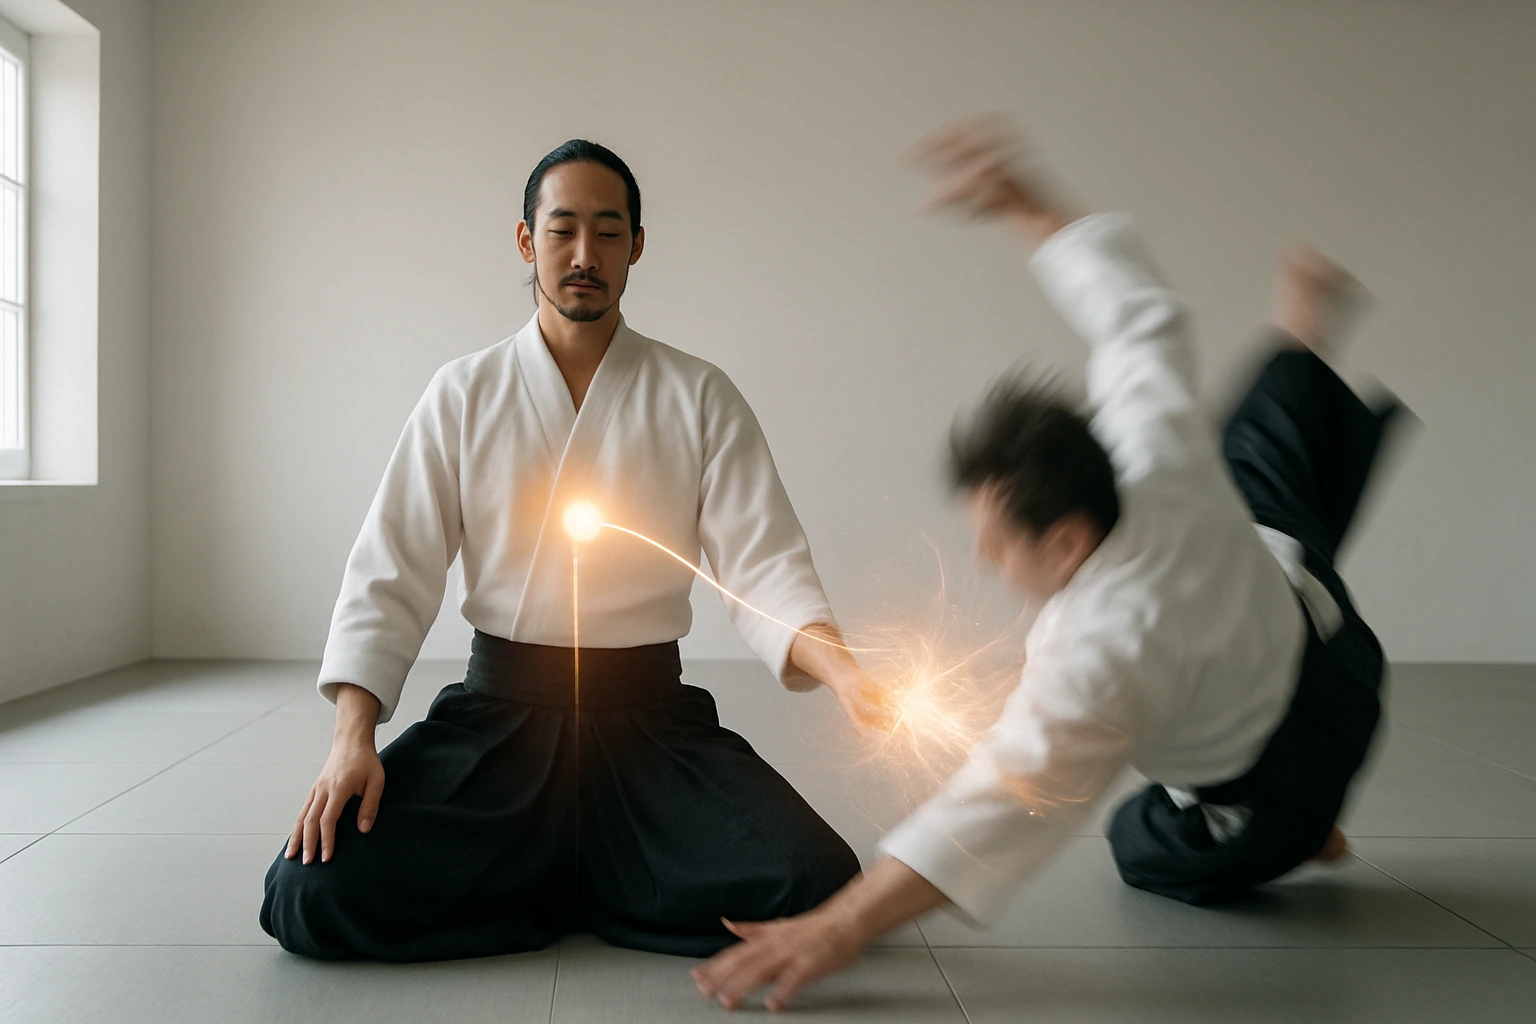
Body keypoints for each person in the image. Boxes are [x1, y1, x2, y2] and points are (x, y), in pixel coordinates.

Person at [693, 118, 1403, 1011]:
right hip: (1317, 612)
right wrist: (1028, 202)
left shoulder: (1098, 654)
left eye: (995, 541)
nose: (981, 556)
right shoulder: (1147, 447)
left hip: (1281, 761)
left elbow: (986, 807)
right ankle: (1300, 341)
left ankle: (1303, 833)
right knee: (1253, 460)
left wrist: (839, 923)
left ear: (1066, 540)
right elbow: (1140, 311)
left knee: (1146, 843)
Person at [260, 139, 888, 962]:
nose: (584, 256)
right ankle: (593, 887)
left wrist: (846, 671)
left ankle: (546, 883)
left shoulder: (698, 394)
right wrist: (353, 741)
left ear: (636, 244)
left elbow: (764, 563)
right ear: (527, 241)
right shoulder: (464, 392)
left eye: (607, 232)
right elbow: (393, 566)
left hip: (650, 727)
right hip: (499, 726)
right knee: (309, 893)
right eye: (562, 231)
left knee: (819, 884)